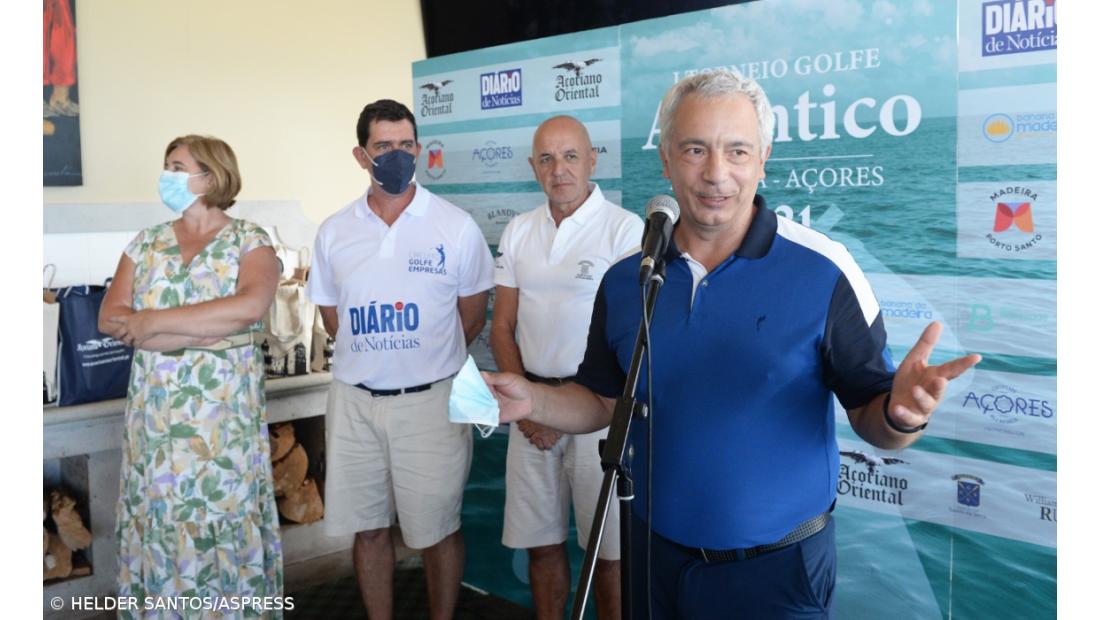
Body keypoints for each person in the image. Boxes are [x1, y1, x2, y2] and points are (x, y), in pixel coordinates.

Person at [484, 70, 982, 619]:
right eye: (695, 149)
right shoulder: (629, 280)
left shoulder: (824, 270)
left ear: (763, 157)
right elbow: (603, 401)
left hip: (778, 575)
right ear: (667, 160)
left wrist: (903, 414)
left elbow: (873, 417)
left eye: (737, 150)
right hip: (653, 559)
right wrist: (532, 400)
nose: (716, 173)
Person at [307, 99, 494, 620]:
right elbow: (331, 319)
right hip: (354, 404)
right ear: (361, 156)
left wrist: (415, 361)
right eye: (383, 146)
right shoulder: (334, 231)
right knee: (368, 527)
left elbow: (471, 318)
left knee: (438, 530)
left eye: (405, 145)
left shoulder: (454, 227)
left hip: (430, 405)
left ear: (419, 148)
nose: (396, 155)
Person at [99, 135, 284, 615]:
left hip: (222, 423)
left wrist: (154, 323)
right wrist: (206, 333)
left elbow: (250, 305)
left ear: (211, 175)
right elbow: (112, 319)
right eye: (166, 165)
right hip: (156, 422)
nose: (168, 176)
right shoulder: (146, 243)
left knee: (221, 515)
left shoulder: (251, 239)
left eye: (178, 166)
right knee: (160, 522)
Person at [492, 116, 643, 620]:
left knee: (609, 556)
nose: (560, 170)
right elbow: (501, 327)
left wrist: (563, 410)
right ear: (534, 167)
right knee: (541, 546)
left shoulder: (625, 231)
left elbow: (632, 339)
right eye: (547, 159)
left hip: (599, 412)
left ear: (593, 159)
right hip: (528, 408)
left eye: (571, 156)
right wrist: (533, 410)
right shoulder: (518, 230)